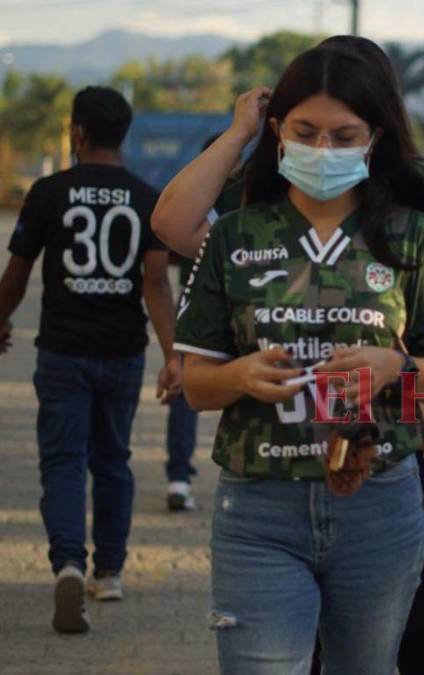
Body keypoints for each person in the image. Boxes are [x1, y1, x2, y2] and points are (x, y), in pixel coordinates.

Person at [152, 35, 424, 675]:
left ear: (375, 135)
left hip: (378, 495)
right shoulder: (240, 233)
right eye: (306, 132)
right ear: (279, 130)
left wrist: (401, 371)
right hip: (260, 503)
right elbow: (196, 381)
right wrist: (240, 375)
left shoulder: (414, 229)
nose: (323, 149)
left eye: (344, 134)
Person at [0, 86, 180, 633]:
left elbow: (18, 273)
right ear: (123, 135)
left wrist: (0, 319)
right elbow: (156, 283)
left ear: (76, 133)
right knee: (113, 459)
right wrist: (174, 355)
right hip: (123, 351)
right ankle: (110, 571)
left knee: (62, 460)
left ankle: (68, 564)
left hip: (62, 350)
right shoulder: (147, 198)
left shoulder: (48, 192)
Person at [164, 133, 243, 512]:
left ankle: (179, 475)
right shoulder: (234, 194)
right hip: (226, 298)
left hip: (207, 297)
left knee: (188, 388)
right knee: (195, 386)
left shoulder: (201, 192)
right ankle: (182, 475)